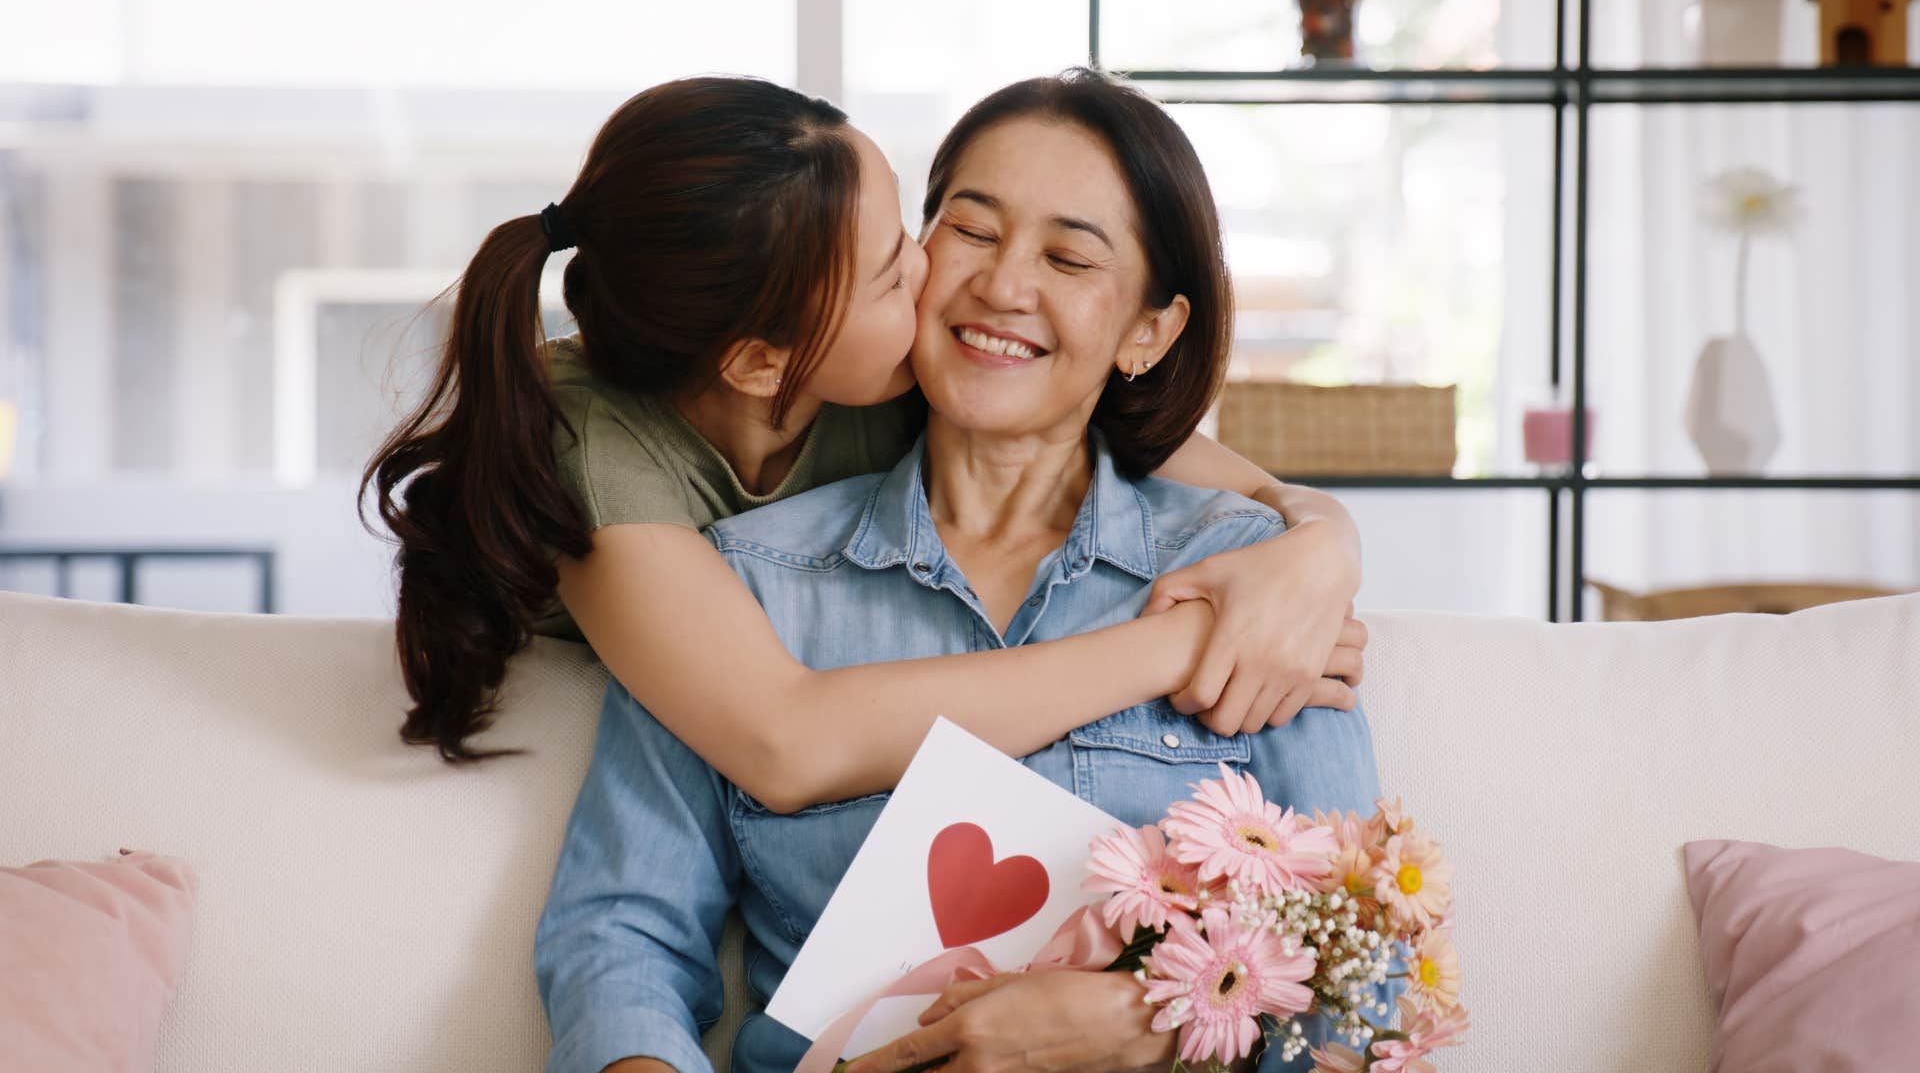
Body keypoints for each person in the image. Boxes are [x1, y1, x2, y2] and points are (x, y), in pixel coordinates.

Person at [535, 70, 1386, 1073]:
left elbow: (1366, 994)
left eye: (1069, 256)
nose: (1002, 286)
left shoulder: (1254, 587)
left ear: (1148, 332)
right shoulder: (736, 583)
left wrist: (1151, 1033)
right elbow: (620, 940)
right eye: (970, 232)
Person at [362, 76, 1371, 815]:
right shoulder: (589, 447)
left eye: (912, 234)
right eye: (900, 270)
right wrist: (1193, 640)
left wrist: (1316, 539)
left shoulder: (876, 370)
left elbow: (1129, 433)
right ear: (764, 363)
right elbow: (785, 741)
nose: (950, 277)